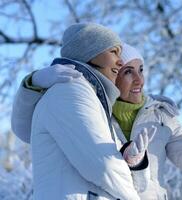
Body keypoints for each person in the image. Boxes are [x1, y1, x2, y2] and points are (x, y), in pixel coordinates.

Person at [12, 41, 182, 199]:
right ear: (110, 75)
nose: (139, 80)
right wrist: (33, 82)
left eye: (141, 69)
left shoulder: (161, 116)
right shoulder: (90, 112)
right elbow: (26, 129)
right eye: (128, 71)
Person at [11, 23, 155, 200]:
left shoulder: (94, 100)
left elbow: (132, 182)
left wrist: (134, 163)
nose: (120, 61)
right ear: (90, 52)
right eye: (114, 52)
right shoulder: (70, 90)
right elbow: (103, 166)